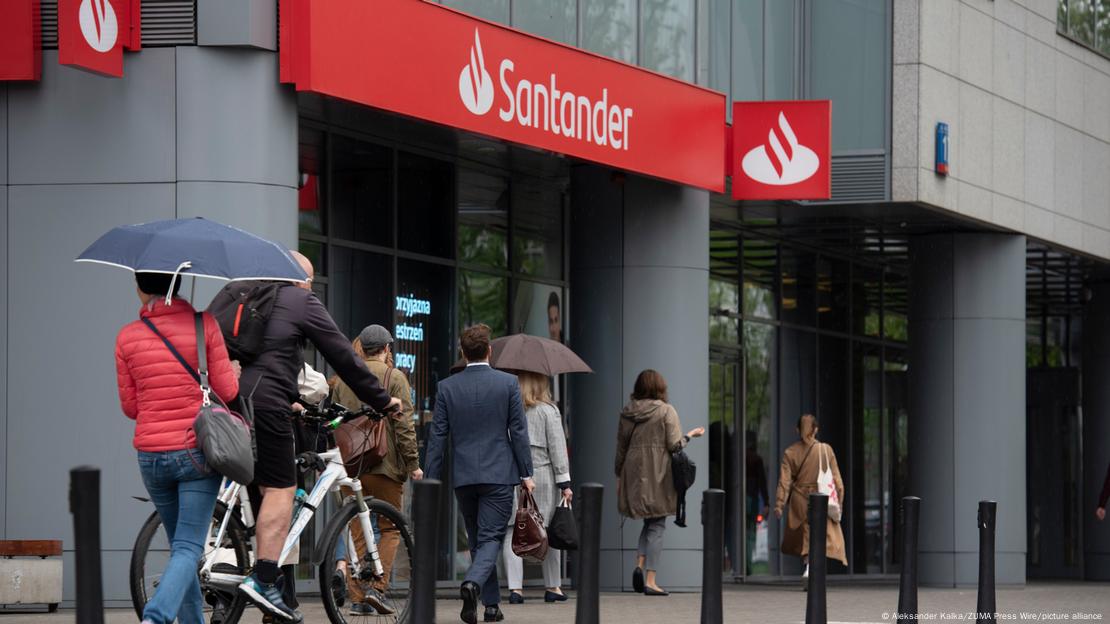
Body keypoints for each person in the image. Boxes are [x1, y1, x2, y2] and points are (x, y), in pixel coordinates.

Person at [231, 251, 401, 622]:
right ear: (298, 280)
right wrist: (383, 400)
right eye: (308, 282)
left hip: (229, 403)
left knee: (259, 495)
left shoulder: (245, 296)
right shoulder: (298, 300)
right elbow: (343, 355)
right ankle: (262, 579)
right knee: (282, 490)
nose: (309, 288)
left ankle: (277, 595)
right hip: (268, 407)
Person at [115, 272, 239, 624]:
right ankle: (155, 618)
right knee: (188, 547)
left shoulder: (127, 337)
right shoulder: (205, 325)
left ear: (140, 289)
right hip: (195, 452)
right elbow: (228, 392)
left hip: (151, 456)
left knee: (181, 549)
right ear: (179, 285)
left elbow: (130, 408)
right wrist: (229, 369)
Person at [425, 324, 534, 624]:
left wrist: (430, 480)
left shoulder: (447, 387)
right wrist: (526, 472)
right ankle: (472, 585)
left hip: (464, 477)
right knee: (491, 539)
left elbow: (437, 438)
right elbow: (518, 432)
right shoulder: (508, 383)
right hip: (499, 474)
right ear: (490, 351)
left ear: (462, 352)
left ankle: (490, 607)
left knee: (478, 539)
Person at [331, 325, 423, 616]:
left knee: (357, 528)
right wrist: (413, 465)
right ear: (385, 349)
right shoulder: (394, 377)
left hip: (350, 466)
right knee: (391, 527)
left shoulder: (343, 378)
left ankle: (358, 597)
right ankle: (377, 587)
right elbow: (404, 426)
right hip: (385, 464)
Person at [614, 369, 704, 597]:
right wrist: (690, 435)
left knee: (649, 523)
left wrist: (619, 476)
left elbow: (621, 449)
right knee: (658, 524)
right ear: (660, 387)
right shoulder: (666, 411)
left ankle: (639, 565)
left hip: (633, 473)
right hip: (659, 473)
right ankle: (651, 580)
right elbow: (674, 445)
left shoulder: (627, 413)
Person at [501, 372, 572, 605]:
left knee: (513, 529)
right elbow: (558, 449)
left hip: (513, 475)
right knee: (548, 531)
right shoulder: (548, 411)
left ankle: (515, 590)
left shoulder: (508, 409)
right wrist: (565, 484)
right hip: (542, 475)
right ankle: (553, 586)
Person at [774, 414, 847, 583]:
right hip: (821, 498)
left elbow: (784, 481)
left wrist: (779, 504)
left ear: (797, 430)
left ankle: (808, 566)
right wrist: (839, 502)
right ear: (816, 429)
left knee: (806, 534)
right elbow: (837, 480)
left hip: (799, 499)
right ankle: (813, 568)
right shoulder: (825, 450)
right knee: (821, 533)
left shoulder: (790, 452)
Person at [745, 431, 770, 575]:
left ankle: (742, 564)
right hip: (752, 499)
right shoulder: (756, 459)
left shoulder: (738, 458)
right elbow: (762, 483)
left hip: (741, 501)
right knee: (750, 534)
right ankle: (747, 565)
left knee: (739, 533)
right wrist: (766, 502)